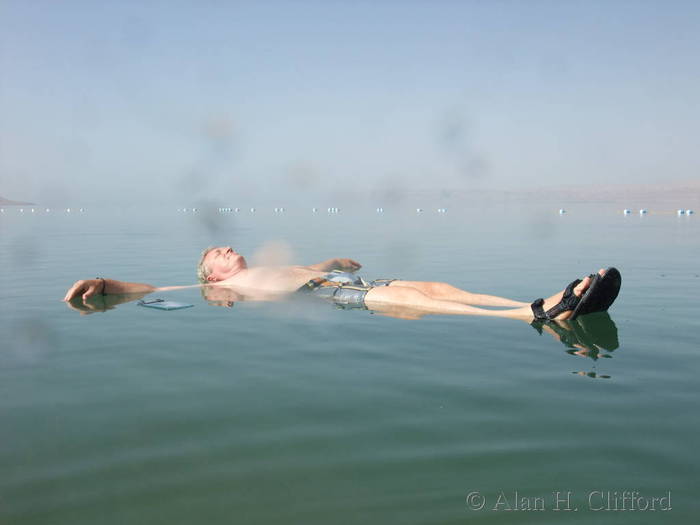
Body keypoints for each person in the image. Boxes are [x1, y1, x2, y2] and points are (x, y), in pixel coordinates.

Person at [63, 246, 621, 322]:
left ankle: (542, 300)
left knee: (440, 286)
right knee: (414, 300)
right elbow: (156, 290)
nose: (228, 249)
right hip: (333, 296)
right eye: (218, 252)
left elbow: (311, 267)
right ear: (212, 273)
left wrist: (333, 257)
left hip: (343, 280)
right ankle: (538, 318)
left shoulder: (270, 266)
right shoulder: (217, 290)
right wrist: (104, 280)